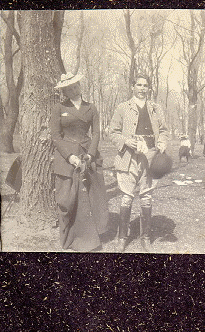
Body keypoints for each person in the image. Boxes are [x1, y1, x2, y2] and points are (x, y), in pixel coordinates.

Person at [107, 74, 169, 251]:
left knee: (147, 196)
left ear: (149, 88)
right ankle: (122, 238)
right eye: (139, 85)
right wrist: (126, 141)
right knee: (127, 196)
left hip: (150, 157)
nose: (142, 88)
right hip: (128, 157)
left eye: (145, 85)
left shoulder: (155, 108)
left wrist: (162, 142)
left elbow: (164, 130)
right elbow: (113, 132)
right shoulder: (122, 107)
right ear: (132, 87)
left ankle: (146, 237)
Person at [50, 73, 109, 252]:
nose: (73, 90)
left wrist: (90, 154)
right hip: (66, 157)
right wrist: (69, 156)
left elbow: (96, 133)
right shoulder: (58, 108)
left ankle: (91, 237)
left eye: (75, 86)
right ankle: (68, 238)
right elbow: (55, 136)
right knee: (66, 200)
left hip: (86, 155)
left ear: (80, 86)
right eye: (68, 88)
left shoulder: (91, 108)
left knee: (91, 197)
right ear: (64, 91)